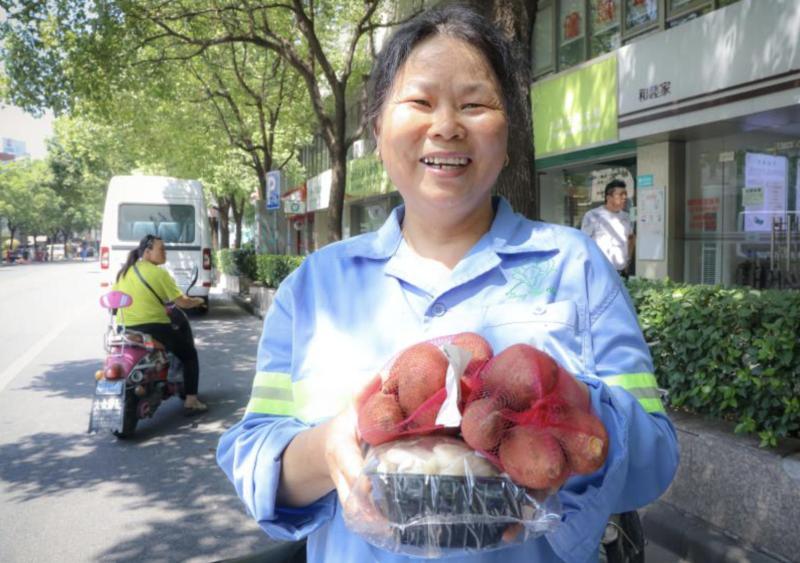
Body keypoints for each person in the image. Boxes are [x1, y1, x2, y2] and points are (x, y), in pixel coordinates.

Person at [217, 5, 678, 562]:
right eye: (419, 101)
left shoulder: (575, 266)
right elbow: (254, 456)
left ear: (509, 134)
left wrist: (562, 407)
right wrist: (326, 451)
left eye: (474, 104)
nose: (446, 126)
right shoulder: (313, 287)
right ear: (378, 129)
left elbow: (655, 457)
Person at [113, 234, 208, 413]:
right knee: (189, 355)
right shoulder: (159, 273)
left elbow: (115, 302)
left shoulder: (123, 272)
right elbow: (182, 302)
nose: (165, 253)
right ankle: (191, 400)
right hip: (153, 328)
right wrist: (198, 301)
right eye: (161, 249)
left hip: (124, 329)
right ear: (147, 252)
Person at [581, 179, 635, 278]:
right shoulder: (593, 215)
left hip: (621, 272)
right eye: (620, 194)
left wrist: (628, 261)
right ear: (609, 197)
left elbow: (631, 238)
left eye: (625, 194)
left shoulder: (626, 217)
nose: (624, 197)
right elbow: (584, 242)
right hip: (600, 271)